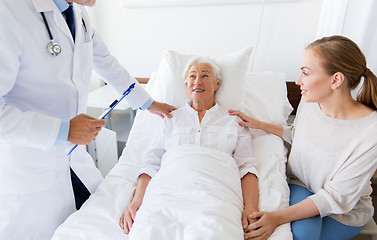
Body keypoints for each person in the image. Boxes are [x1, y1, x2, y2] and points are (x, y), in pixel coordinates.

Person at [0, 0, 175, 239]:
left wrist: (148, 103)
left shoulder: (77, 13)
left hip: (73, 162)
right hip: (29, 169)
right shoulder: (10, 11)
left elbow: (106, 63)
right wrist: (63, 130)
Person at [230, 35, 377, 240]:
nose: (298, 80)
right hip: (301, 185)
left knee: (302, 236)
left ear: (336, 79)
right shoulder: (311, 101)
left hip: (342, 213)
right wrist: (260, 124)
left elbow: (336, 197)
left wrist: (276, 218)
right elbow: (300, 136)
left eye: (305, 73)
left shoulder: (371, 133)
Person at [119, 58, 259, 238]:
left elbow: (247, 168)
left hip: (216, 195)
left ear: (217, 84)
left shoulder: (234, 121)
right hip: (167, 193)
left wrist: (251, 208)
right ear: (186, 84)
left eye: (204, 75)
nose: (197, 81)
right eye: (192, 76)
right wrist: (137, 200)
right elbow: (151, 163)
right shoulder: (170, 119)